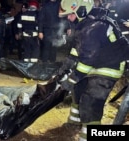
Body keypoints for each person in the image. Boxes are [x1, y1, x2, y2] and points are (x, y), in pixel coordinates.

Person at [58, 0, 129, 140]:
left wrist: (72, 78)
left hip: (109, 67)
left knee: (90, 102)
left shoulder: (95, 28)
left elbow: (87, 60)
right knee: (78, 89)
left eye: (70, 14)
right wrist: (66, 66)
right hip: (95, 64)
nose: (68, 18)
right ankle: (75, 121)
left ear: (81, 11)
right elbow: (79, 50)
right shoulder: (86, 25)